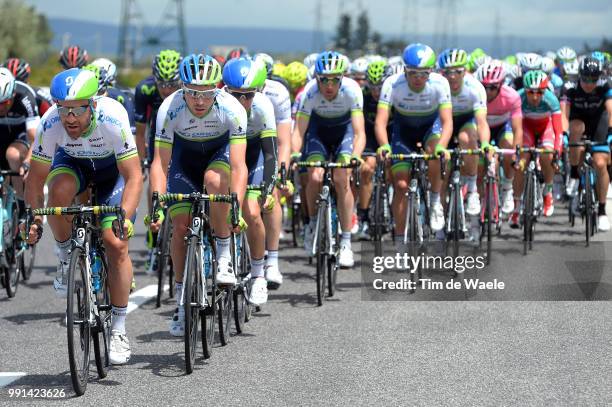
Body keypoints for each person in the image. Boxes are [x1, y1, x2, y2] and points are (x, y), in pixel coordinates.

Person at [25, 68, 141, 365]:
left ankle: (118, 329)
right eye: (63, 109)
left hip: (111, 174)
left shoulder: (113, 119)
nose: (70, 118)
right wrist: (35, 219)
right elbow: (36, 181)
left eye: (77, 109)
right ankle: (66, 256)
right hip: (73, 165)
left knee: (115, 243)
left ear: (93, 105)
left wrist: (124, 219)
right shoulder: (50, 123)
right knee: (59, 189)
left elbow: (133, 177)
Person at [147, 54, 248, 336]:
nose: (199, 100)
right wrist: (156, 203)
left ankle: (224, 253)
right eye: (192, 93)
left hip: (218, 156)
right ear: (182, 89)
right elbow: (159, 163)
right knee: (180, 227)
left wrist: (236, 205)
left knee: (215, 180)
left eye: (206, 93)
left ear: (217, 89)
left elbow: (239, 166)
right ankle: (181, 299)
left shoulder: (232, 108)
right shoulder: (170, 108)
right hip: (183, 161)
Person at [292, 51, 366, 268]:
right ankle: (314, 224)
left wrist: (356, 156)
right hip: (318, 135)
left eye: (334, 79)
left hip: (344, 134)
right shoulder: (309, 93)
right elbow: (298, 132)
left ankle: (345, 241)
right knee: (314, 177)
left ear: (342, 78)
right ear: (316, 78)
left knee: (342, 178)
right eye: (324, 79)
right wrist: (295, 154)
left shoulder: (352, 90)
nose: (329, 84)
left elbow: (359, 132)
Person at [375, 43, 453, 239]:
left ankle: (435, 201)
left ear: (431, 72)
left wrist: (442, 146)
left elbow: (447, 121)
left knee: (436, 153)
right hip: (403, 132)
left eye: (423, 74)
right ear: (404, 71)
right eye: (413, 73)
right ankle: (401, 240)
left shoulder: (440, 83)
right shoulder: (392, 84)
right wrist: (384, 145)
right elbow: (381, 121)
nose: (418, 79)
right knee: (401, 186)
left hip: (430, 129)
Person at [223, 57, 278, 304]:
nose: (243, 102)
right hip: (224, 155)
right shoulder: (218, 106)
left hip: (253, 157)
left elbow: (270, 154)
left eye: (249, 95)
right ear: (226, 91)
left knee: (252, 212)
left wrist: (267, 189)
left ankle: (258, 275)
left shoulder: (263, 107)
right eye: (237, 95)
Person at [438, 48, 490, 218]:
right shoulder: (437, 85)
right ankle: (438, 208)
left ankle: (473, 188)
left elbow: (481, 122)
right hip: (442, 122)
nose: (452, 76)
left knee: (466, 138)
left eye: (457, 72)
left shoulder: (475, 87)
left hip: (465, 121)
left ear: (465, 71)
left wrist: (485, 144)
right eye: (447, 72)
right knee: (442, 166)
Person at [561, 57, 612, 231]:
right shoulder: (570, 87)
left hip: (599, 122)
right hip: (578, 121)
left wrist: (611, 133)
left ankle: (602, 211)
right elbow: (563, 114)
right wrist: (563, 134)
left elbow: (611, 110)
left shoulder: (605, 85)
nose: (589, 83)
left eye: (594, 79)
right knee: (576, 129)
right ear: (579, 75)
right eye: (585, 78)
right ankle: (575, 175)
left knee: (600, 163)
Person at [511, 70, 563, 227]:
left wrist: (557, 153)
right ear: (525, 90)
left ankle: (547, 192)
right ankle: (517, 207)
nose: (535, 97)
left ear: (545, 90)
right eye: (531, 92)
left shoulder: (551, 99)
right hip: (526, 129)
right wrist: (516, 152)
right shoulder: (517, 98)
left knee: (547, 155)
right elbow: (515, 127)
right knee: (521, 163)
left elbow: (558, 130)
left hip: (545, 127)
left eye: (539, 92)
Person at [475, 60, 523, 215]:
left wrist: (517, 152)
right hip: (482, 128)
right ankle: (478, 202)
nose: (488, 92)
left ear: (501, 84)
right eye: (484, 86)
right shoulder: (475, 95)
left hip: (503, 127)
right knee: (479, 166)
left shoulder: (512, 96)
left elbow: (517, 128)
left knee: (508, 147)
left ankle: (508, 187)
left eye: (493, 87)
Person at [0, 68, 40, 202]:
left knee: (13, 155)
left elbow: (35, 138)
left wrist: (27, 163)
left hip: (20, 133)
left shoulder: (25, 96)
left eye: (4, 103)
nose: (1, 109)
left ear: (13, 95)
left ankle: (20, 201)